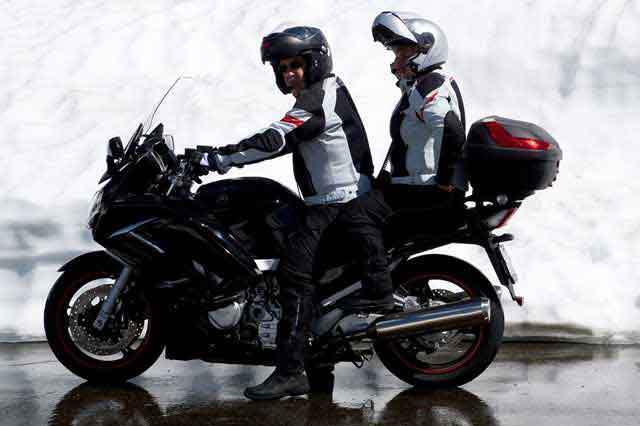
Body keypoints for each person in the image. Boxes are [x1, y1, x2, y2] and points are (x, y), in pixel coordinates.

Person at [192, 26, 374, 400]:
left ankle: (291, 370)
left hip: (337, 203)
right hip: (336, 198)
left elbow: (277, 139)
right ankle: (318, 357)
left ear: (315, 62)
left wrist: (221, 158)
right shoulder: (322, 92)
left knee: (295, 274)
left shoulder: (316, 100)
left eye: (295, 65)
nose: (289, 73)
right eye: (283, 68)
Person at [334, 12, 467, 311]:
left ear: (425, 51)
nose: (397, 60)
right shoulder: (422, 86)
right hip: (415, 184)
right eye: (396, 53)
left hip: (427, 189)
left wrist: (445, 180)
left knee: (357, 215)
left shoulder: (429, 86)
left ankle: (378, 292)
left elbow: (452, 130)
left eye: (404, 53)